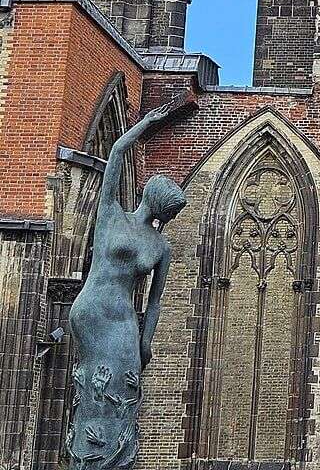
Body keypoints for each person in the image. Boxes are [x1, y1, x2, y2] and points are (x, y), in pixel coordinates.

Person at [66, 94, 196, 470]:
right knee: (95, 387)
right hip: (92, 311)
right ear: (153, 196)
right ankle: (88, 459)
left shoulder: (161, 246)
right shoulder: (111, 214)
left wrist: (145, 343)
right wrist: (147, 123)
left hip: (125, 321)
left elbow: (154, 303)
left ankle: (115, 461)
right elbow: (118, 152)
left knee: (124, 390)